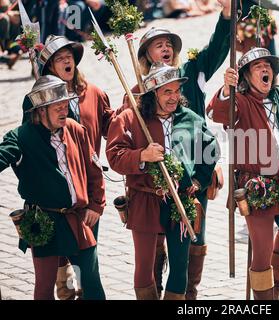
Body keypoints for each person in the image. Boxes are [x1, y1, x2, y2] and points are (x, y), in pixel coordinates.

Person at [124, 0, 231, 299]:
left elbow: (217, 48)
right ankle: (156, 288)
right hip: (153, 180)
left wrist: (225, 15)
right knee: (156, 240)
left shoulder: (192, 69)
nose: (166, 48)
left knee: (194, 235)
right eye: (158, 45)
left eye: (169, 43)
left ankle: (188, 295)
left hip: (194, 172)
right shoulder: (137, 91)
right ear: (146, 54)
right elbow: (126, 136)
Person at [106, 63, 218, 300]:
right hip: (145, 199)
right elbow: (114, 155)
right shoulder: (131, 118)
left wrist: (198, 181)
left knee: (179, 266)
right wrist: (142, 156)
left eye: (177, 91)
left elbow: (211, 149)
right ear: (152, 93)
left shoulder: (190, 119)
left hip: (181, 202)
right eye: (167, 92)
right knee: (145, 267)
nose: (174, 97)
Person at [207, 47, 279, 300]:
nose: (265, 69)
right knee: (262, 253)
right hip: (256, 187)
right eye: (257, 67)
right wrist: (225, 89)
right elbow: (217, 112)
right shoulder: (240, 101)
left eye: (268, 65)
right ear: (245, 76)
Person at [22, 35, 114, 300]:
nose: (66, 61)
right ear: (50, 67)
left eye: (69, 57)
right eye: (59, 59)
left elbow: (110, 126)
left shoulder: (94, 93)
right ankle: (65, 289)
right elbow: (31, 143)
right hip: (53, 194)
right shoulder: (36, 103)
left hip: (85, 191)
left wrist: (133, 111)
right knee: (55, 262)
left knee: (87, 262)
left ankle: (81, 290)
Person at [0, 75, 106, 300]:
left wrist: (96, 205)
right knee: (44, 289)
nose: (63, 111)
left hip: (77, 218)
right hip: (43, 221)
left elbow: (94, 171)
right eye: (57, 107)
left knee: (92, 283)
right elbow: (4, 154)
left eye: (65, 105)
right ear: (40, 111)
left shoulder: (75, 129)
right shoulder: (21, 137)